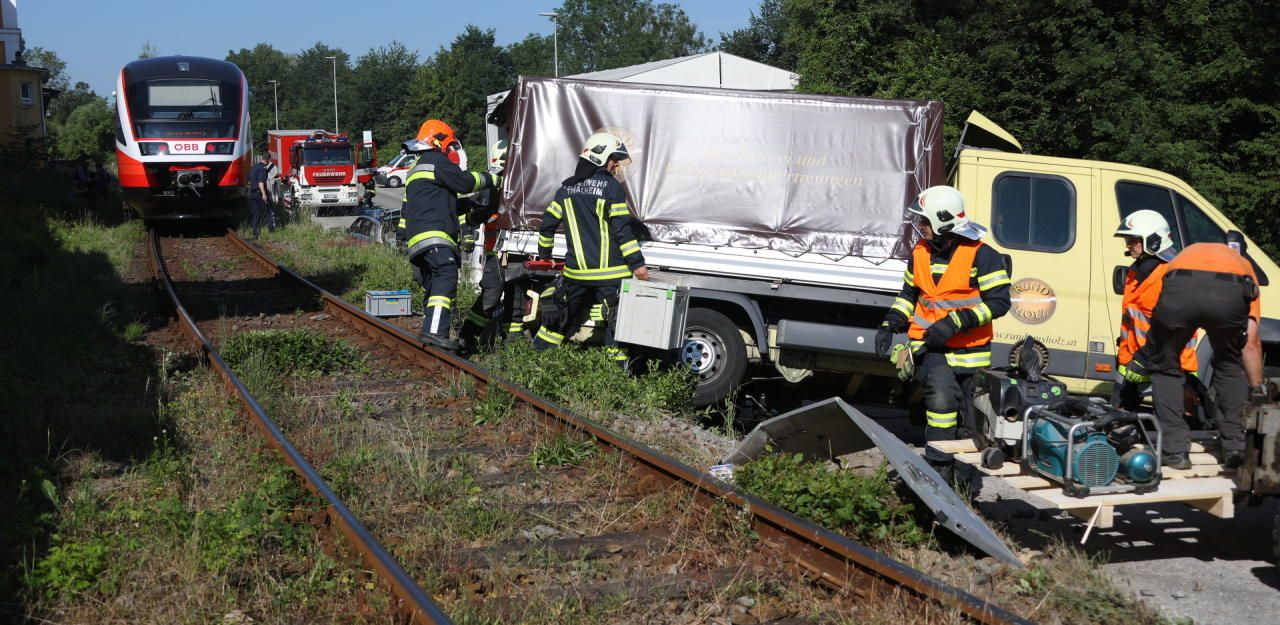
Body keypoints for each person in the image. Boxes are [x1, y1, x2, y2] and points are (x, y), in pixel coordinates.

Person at [875, 185, 1011, 473]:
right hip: (931, 349)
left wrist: (955, 322)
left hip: (972, 355)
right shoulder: (920, 252)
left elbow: (999, 303)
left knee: (971, 423)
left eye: (924, 221)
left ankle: (965, 482)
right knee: (940, 401)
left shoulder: (983, 256)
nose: (920, 227)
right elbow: (909, 295)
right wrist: (891, 322)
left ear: (943, 221)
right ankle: (938, 471)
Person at [1126, 242, 1265, 469]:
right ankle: (1234, 447)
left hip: (1180, 284)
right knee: (1229, 366)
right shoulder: (1244, 267)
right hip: (1230, 291)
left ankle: (1175, 451)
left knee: (1165, 366)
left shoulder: (1186, 254)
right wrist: (1258, 390)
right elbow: (1250, 343)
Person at [531, 132, 649, 367]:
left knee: (559, 323)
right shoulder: (611, 189)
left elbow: (547, 226)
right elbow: (623, 232)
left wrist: (545, 258)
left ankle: (534, 364)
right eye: (614, 158)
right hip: (611, 276)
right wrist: (638, 265)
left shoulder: (566, 189)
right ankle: (613, 379)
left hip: (576, 275)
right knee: (616, 328)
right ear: (601, 156)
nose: (615, 164)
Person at [401, 119, 500, 351]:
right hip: (434, 236)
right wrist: (492, 178)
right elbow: (465, 182)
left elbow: (447, 205)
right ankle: (434, 332)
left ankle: (434, 333)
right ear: (440, 141)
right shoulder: (437, 161)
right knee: (446, 275)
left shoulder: (417, 168)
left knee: (436, 287)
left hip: (418, 242)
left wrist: (473, 206)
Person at [1112, 210, 1200, 410]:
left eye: (1133, 240)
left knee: (1172, 424)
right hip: (1134, 363)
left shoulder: (1170, 275)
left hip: (1167, 365)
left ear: (1153, 241)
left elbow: (1171, 328)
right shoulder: (1137, 272)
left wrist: (1142, 360)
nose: (1128, 245)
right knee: (1119, 425)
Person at [457, 140, 526, 354]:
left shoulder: (522, 182)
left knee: (516, 300)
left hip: (518, 252)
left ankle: (510, 347)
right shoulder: (490, 186)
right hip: (495, 254)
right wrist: (470, 229)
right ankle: (467, 338)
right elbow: (465, 213)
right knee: (490, 296)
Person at [247, 152, 274, 238]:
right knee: (269, 211)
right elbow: (261, 182)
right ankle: (271, 231)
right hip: (259, 193)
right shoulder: (262, 168)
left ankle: (255, 233)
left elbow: (248, 179)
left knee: (256, 213)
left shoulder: (254, 167)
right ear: (267, 160)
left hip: (252, 193)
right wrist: (264, 194)